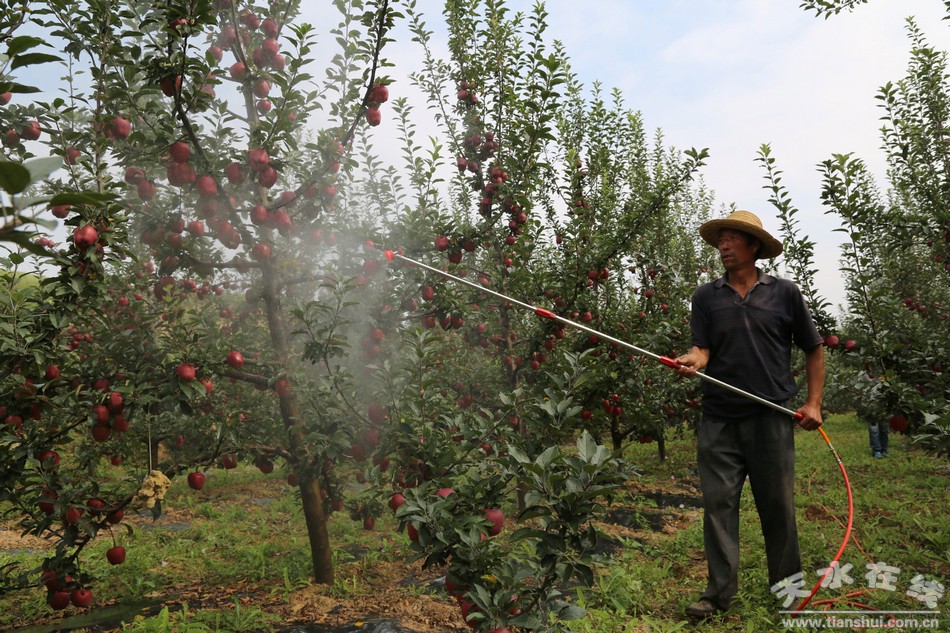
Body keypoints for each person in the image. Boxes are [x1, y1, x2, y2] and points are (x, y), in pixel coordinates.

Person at [673, 210, 825, 620]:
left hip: (771, 416)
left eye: (730, 239)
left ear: (753, 245)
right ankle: (718, 595)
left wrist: (813, 403)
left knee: (777, 507)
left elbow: (813, 348)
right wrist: (694, 358)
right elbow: (702, 348)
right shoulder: (706, 296)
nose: (722, 246)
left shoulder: (785, 293)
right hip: (719, 418)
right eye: (719, 240)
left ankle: (789, 592)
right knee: (718, 506)